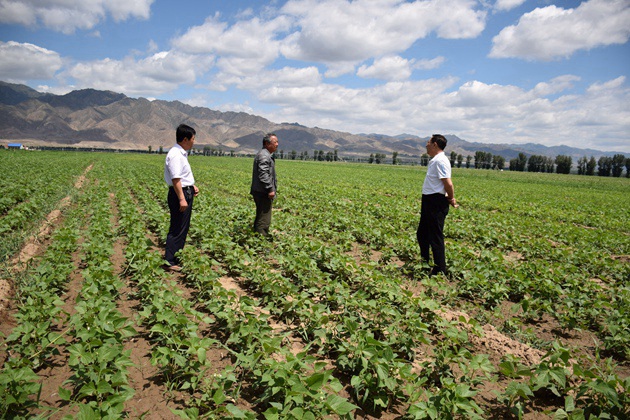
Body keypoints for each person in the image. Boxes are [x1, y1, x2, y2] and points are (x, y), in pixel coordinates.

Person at [417, 134, 457, 276]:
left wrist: (451, 198)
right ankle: (425, 264)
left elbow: (448, 183)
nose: (426, 145)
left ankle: (440, 270)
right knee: (422, 234)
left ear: (435, 144)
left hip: (436, 202)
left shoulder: (440, 161)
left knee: (435, 236)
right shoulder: (435, 160)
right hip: (429, 200)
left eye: (428, 142)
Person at [164, 124, 198, 271]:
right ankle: (170, 261)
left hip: (184, 191)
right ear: (185, 139)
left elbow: (181, 177)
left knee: (182, 227)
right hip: (180, 194)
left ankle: (176, 258)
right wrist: (182, 198)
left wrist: (191, 186)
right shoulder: (176, 155)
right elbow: (176, 179)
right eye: (193, 139)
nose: (193, 142)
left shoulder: (181, 153)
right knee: (177, 228)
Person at [250, 133, 279, 237]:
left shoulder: (265, 155)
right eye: (275, 142)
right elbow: (263, 174)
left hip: (260, 191)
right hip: (263, 192)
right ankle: (261, 239)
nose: (277, 144)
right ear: (267, 144)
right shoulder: (264, 156)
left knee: (261, 215)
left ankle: (256, 236)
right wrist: (270, 189)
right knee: (264, 219)